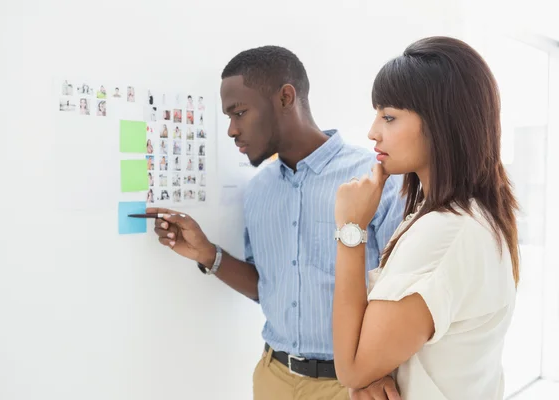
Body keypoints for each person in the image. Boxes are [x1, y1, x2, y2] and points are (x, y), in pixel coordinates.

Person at [147, 45, 405, 400]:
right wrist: (207, 254)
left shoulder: (377, 178)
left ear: (286, 97)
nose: (231, 130)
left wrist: (379, 368)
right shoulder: (258, 191)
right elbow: (267, 288)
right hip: (273, 378)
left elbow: (402, 292)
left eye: (240, 113)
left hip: (353, 386)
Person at [332, 36, 519, 400]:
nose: (373, 132)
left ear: (441, 124)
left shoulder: (447, 231)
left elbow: (351, 367)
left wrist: (351, 229)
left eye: (389, 117)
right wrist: (374, 374)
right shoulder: (457, 215)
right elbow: (370, 363)